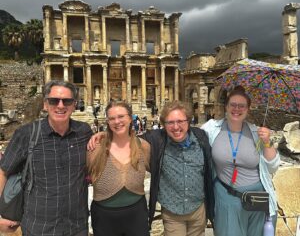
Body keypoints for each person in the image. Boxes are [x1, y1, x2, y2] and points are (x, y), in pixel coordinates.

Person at [87, 100, 214, 236]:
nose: (176, 127)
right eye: (170, 122)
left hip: (197, 209)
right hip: (172, 211)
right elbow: (123, 136)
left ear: (188, 121)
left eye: (180, 121)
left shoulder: (201, 137)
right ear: (164, 125)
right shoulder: (157, 140)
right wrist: (103, 134)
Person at [0, 80, 93, 236]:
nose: (61, 105)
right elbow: (3, 172)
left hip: (76, 226)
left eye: (67, 101)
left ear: (74, 105)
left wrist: (104, 134)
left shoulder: (83, 132)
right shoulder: (26, 134)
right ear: (45, 104)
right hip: (39, 226)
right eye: (54, 100)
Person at [201, 86, 280, 236]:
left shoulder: (257, 133)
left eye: (242, 106)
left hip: (257, 197)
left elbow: (273, 167)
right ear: (226, 106)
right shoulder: (211, 129)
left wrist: (268, 142)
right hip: (227, 196)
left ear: (248, 109)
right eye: (233, 105)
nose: (237, 109)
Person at [87, 101, 150, 236]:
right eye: (112, 118)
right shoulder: (95, 147)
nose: (117, 121)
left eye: (121, 116)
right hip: (104, 216)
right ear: (107, 122)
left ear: (130, 118)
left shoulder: (143, 146)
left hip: (137, 213)